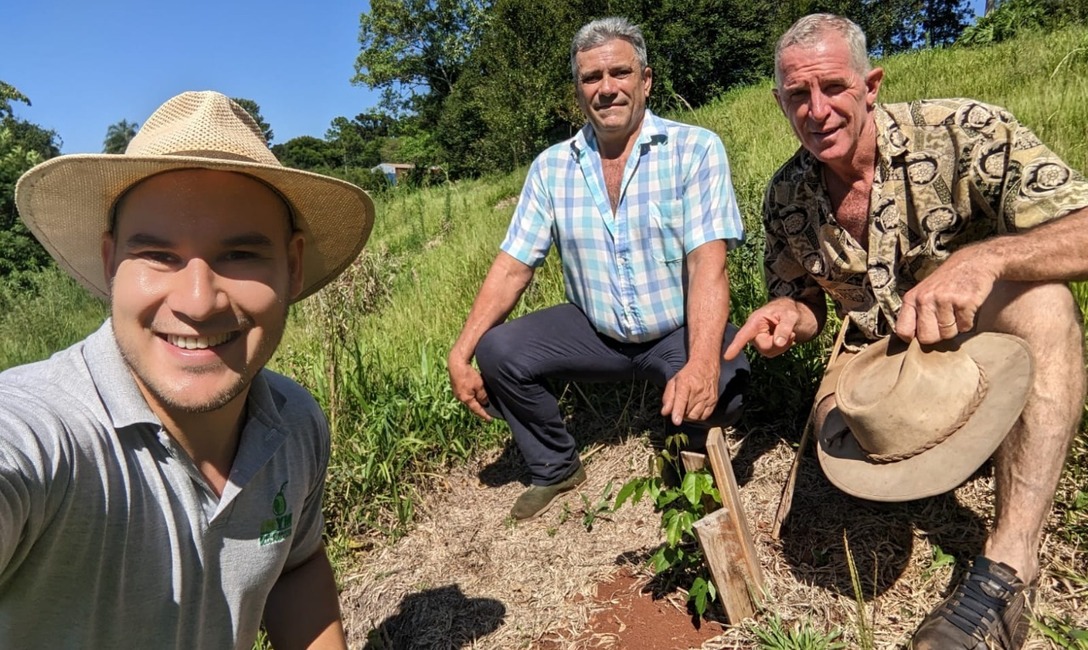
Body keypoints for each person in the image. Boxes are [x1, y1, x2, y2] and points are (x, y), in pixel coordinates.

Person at [723, 13, 1088, 650]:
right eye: (796, 96)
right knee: (846, 468)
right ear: (780, 103)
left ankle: (1008, 568)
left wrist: (987, 259)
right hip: (878, 361)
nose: (817, 110)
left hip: (977, 332)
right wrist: (791, 318)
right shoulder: (786, 194)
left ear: (871, 86)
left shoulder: (963, 130)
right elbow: (806, 301)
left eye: (833, 87)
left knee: (1046, 303)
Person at [1, 91, 375, 648]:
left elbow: (294, 568)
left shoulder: (295, 424)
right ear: (110, 264)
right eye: (158, 255)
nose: (198, 302)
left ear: (292, 267)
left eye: (240, 254)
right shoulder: (43, 430)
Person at [448, 16, 749, 522]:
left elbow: (707, 264)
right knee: (496, 350)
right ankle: (556, 464)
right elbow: (513, 265)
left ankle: (685, 446)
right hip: (595, 332)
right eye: (592, 78)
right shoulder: (552, 167)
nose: (607, 88)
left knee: (727, 381)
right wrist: (462, 351)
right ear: (578, 89)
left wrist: (700, 363)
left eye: (620, 73)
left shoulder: (694, 149)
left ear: (645, 80)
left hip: (675, 329)